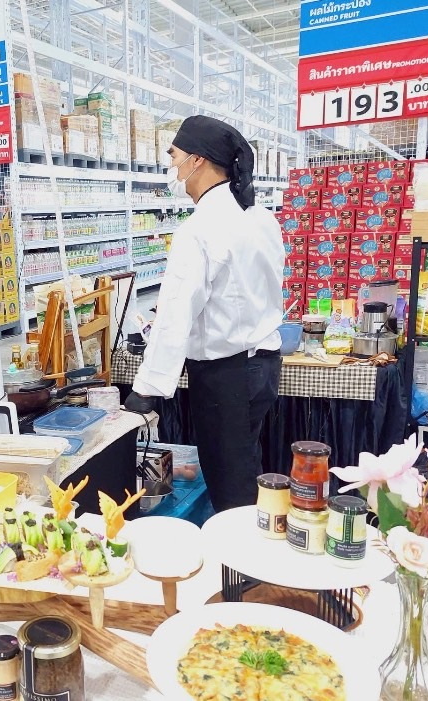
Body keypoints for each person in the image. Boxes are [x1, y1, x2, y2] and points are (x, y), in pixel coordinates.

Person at [125, 115, 285, 513]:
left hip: (226, 375)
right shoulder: (260, 217)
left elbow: (175, 315)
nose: (172, 166)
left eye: (174, 155)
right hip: (263, 364)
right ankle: (253, 536)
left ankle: (239, 550)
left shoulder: (199, 229)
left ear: (197, 160)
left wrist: (146, 389)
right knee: (245, 467)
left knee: (230, 485)